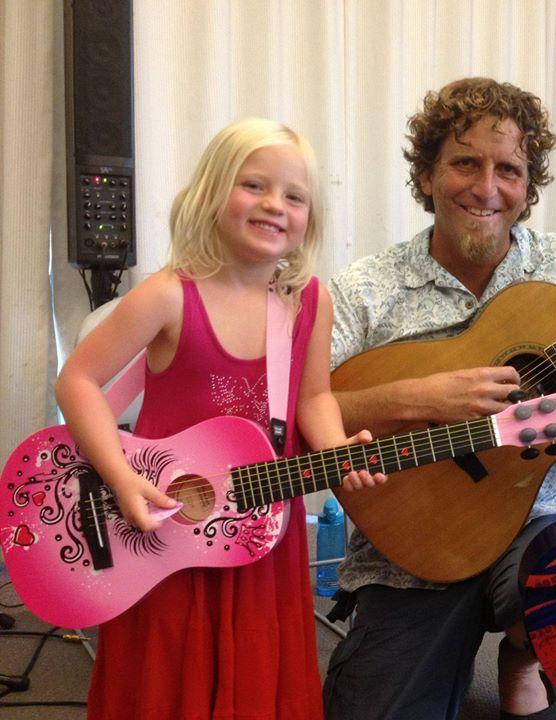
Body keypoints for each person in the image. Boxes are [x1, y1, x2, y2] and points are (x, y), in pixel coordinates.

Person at [322, 77, 556, 720]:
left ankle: (524, 653)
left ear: (528, 185)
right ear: (429, 175)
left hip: (540, 527)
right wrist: (420, 396)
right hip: (410, 545)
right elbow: (301, 417)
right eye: (465, 162)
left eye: (509, 169)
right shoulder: (364, 289)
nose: (487, 187)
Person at [55, 117, 383, 720]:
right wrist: (122, 478)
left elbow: (314, 398)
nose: (274, 205)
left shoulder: (309, 300)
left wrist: (337, 450)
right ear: (211, 192)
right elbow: (76, 380)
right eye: (254, 185)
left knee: (260, 661)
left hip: (261, 529)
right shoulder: (168, 294)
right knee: (164, 666)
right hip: (166, 528)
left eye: (294, 196)